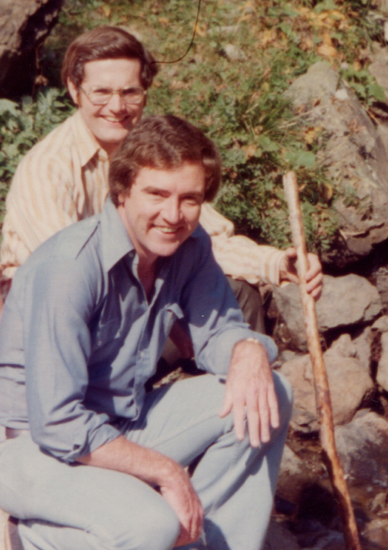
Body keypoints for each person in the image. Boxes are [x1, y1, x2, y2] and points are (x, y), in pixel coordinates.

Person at [0, 115, 293, 550]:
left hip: (122, 423)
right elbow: (57, 423)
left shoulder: (189, 247)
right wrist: (168, 473)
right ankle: (34, 541)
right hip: (35, 449)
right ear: (122, 192)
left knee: (269, 392)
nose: (173, 215)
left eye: (189, 199)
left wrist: (248, 350)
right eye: (156, 194)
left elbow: (217, 332)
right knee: (148, 529)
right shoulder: (69, 268)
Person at [0, 25, 323, 331]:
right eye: (101, 92)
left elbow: (199, 236)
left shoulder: (150, 152)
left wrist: (278, 263)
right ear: (74, 89)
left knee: (236, 295)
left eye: (130, 92)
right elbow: (68, 273)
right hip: (59, 320)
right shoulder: (47, 168)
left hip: (132, 299)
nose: (117, 107)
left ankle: (244, 382)